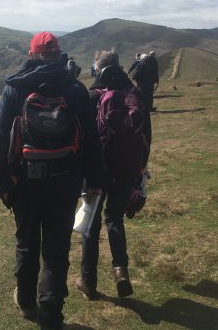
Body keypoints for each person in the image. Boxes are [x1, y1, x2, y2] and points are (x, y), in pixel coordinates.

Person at [0, 32, 103, 330]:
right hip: (64, 182)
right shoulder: (75, 89)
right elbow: (92, 140)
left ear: (31, 54)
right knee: (56, 250)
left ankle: (25, 301)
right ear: (59, 55)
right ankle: (51, 317)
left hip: (22, 182)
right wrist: (95, 181)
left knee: (27, 244)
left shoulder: (15, 88)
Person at [75, 51, 151, 301]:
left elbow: (83, 139)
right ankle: (120, 271)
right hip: (127, 171)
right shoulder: (135, 96)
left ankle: (88, 281)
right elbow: (146, 137)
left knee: (91, 227)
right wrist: (140, 168)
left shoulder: (92, 96)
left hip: (97, 173)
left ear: (98, 68)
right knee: (115, 219)